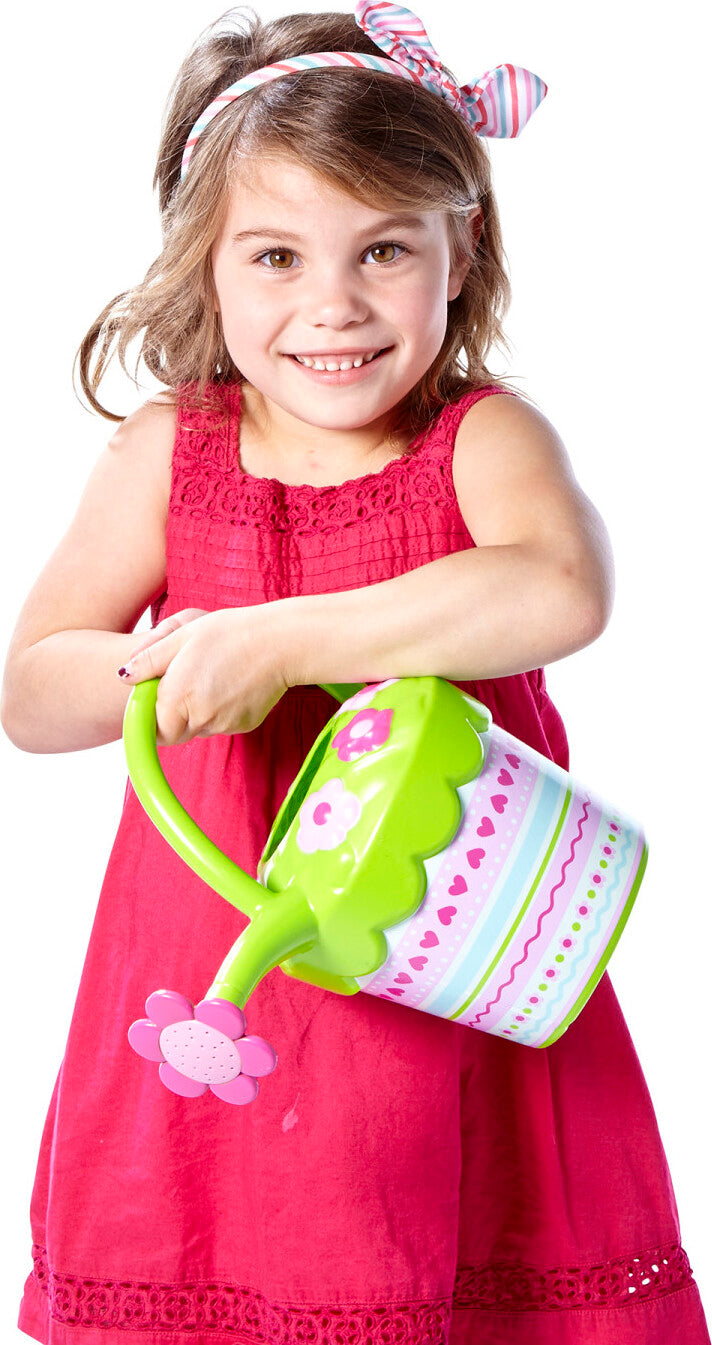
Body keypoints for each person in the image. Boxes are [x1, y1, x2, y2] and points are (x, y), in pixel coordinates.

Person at [1, 2, 708, 1342]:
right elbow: (33, 687)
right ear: (204, 264)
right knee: (225, 1246)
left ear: (463, 251)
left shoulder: (478, 441)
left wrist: (289, 638)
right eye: (275, 255)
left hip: (444, 949)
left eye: (384, 249)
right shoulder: (173, 450)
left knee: (442, 1238)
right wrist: (167, 658)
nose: (332, 305)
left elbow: (561, 585)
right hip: (221, 959)